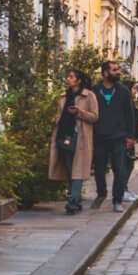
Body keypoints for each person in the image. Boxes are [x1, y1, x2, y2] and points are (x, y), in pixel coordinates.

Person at [49, 69, 98, 214]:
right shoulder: (63, 96)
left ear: (79, 80)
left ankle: (73, 201)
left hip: (80, 138)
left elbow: (95, 117)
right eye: (68, 76)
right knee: (70, 169)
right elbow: (58, 115)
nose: (68, 79)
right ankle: (74, 197)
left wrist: (79, 112)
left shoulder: (89, 96)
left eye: (71, 77)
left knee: (77, 170)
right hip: (63, 135)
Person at [91, 60, 138, 212]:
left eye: (118, 69)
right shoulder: (94, 91)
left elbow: (130, 115)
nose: (117, 72)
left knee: (120, 169)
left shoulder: (123, 91)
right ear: (105, 73)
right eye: (114, 70)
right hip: (99, 137)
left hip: (119, 137)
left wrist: (130, 136)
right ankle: (101, 193)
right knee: (99, 169)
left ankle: (117, 200)